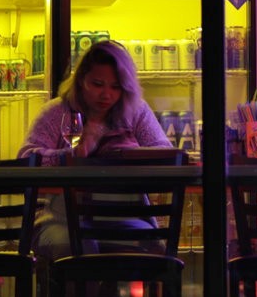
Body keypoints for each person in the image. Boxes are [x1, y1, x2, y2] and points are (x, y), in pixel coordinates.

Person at [18, 39, 173, 273]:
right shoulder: (58, 112)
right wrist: (71, 156)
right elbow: (26, 159)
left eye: (116, 87)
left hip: (123, 218)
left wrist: (130, 155)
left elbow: (165, 153)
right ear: (81, 80)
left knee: (151, 248)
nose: (106, 94)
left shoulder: (136, 111)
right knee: (80, 248)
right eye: (98, 84)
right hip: (61, 219)